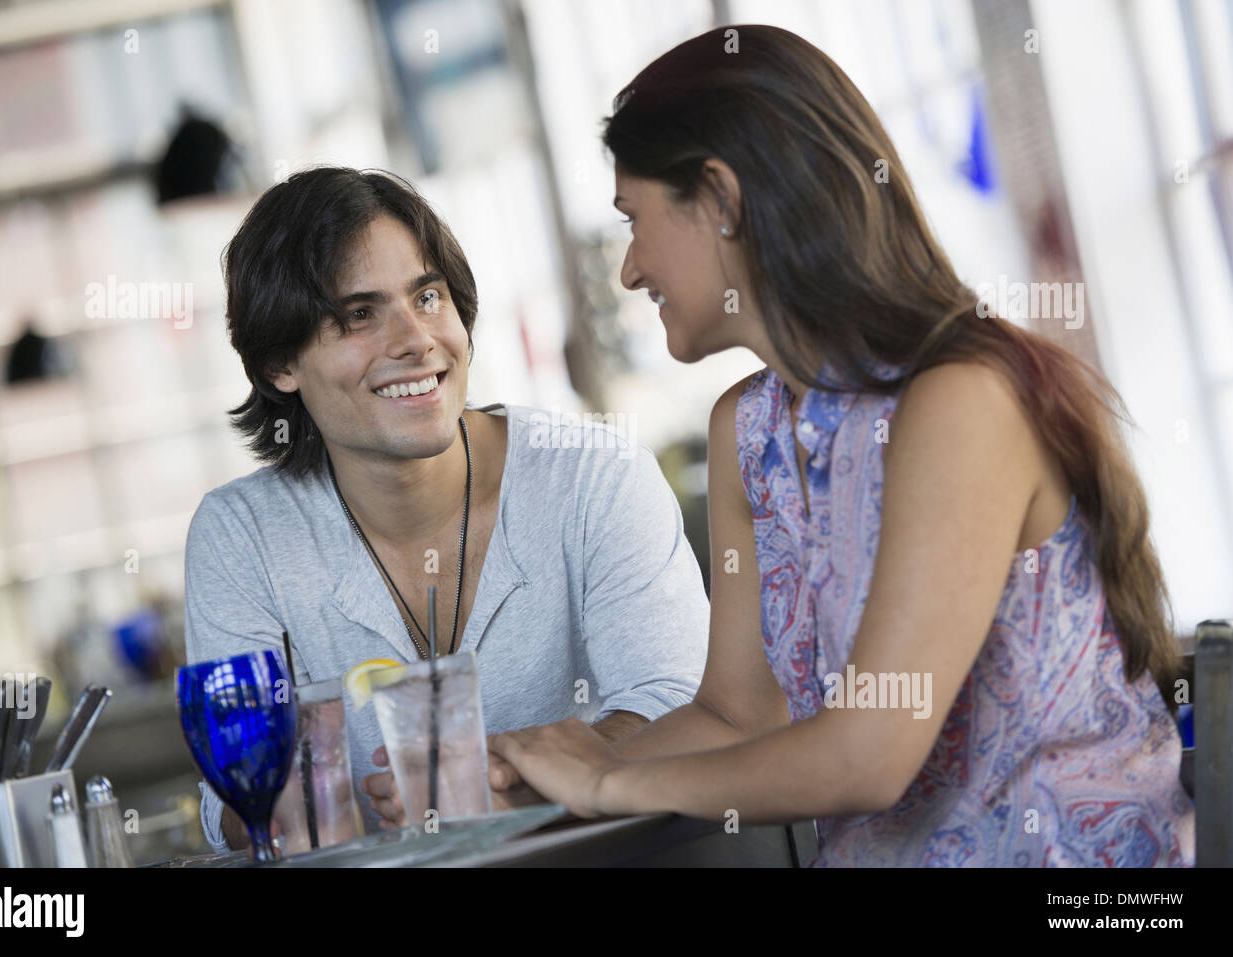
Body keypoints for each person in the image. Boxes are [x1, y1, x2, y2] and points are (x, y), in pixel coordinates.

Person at [487, 25, 1194, 867]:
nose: (629, 270)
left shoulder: (960, 400)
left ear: (720, 198)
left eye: (635, 219)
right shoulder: (745, 429)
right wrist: (530, 772)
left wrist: (606, 784)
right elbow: (734, 717)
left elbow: (870, 753)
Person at [183, 167, 709, 851]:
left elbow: (681, 709)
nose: (416, 339)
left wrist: (507, 779)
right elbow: (227, 802)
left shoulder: (593, 477)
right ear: (280, 361)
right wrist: (285, 801)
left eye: (427, 296)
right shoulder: (241, 537)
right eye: (359, 314)